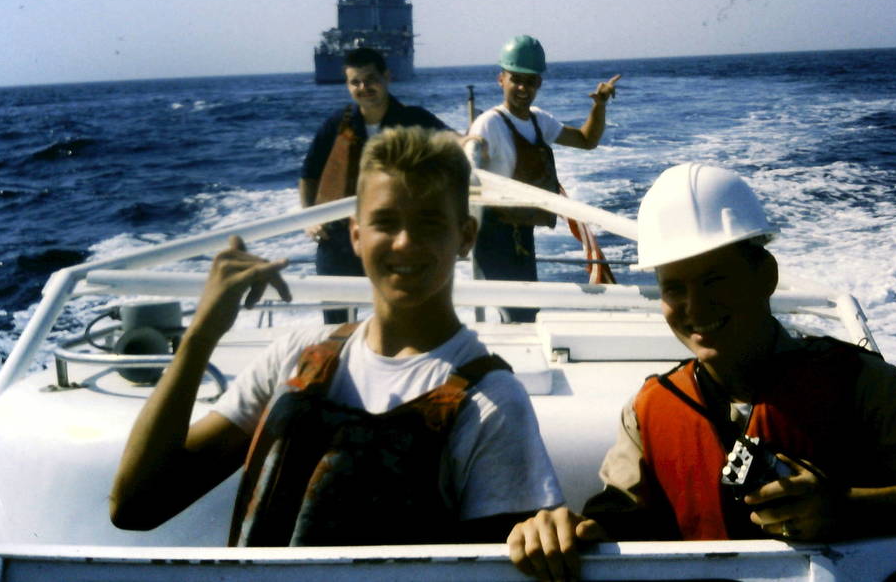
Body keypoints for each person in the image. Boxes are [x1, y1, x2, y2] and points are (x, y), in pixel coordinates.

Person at [507, 164, 896, 580]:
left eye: (715, 280)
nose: (695, 307)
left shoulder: (857, 382)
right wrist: (562, 530)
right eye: (674, 288)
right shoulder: (647, 413)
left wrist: (851, 509)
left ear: (766, 277)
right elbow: (615, 520)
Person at [111, 126, 563, 546]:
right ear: (356, 235)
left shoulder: (491, 402)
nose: (404, 242)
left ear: (465, 237)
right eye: (385, 222)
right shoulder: (294, 357)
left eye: (429, 222)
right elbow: (138, 506)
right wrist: (201, 336)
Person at [466, 35, 621, 322]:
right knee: (518, 312)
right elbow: (467, 172)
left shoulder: (539, 120)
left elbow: (586, 140)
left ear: (539, 83)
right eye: (516, 79)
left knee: (527, 311)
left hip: (523, 233)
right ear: (501, 79)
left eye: (531, 81)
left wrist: (599, 105)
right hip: (492, 236)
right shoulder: (488, 124)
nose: (523, 88)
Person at [300, 47, 451, 324]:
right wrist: (310, 218)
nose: (363, 88)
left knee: (400, 316)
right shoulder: (335, 125)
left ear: (387, 77)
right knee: (337, 324)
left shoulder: (413, 119)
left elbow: (453, 142)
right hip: (339, 240)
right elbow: (309, 174)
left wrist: (471, 141)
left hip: (394, 237)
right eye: (355, 82)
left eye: (370, 79)